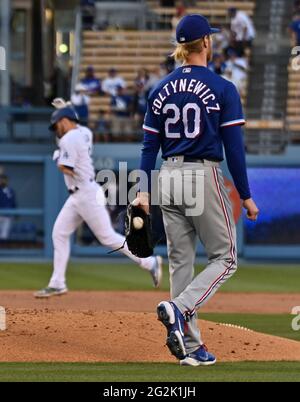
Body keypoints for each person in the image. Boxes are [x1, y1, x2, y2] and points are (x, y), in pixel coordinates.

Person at [134, 14, 259, 366]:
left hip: (166, 176)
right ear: (205, 43)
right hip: (201, 174)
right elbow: (234, 149)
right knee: (226, 257)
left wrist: (143, 191)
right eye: (211, 38)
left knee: (181, 264)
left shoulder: (159, 89)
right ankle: (179, 308)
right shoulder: (222, 88)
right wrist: (246, 195)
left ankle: (190, 348)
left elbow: (148, 147)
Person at [34, 104, 162, 298]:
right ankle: (57, 282)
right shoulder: (84, 132)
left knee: (108, 237)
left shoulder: (69, 138)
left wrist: (58, 158)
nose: (56, 130)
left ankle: (149, 262)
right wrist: (67, 110)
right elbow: (75, 138)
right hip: (80, 193)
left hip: (85, 192)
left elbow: (66, 168)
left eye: (57, 124)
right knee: (59, 233)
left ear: (65, 121)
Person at [0, 174, 16, 240]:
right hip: (0, 215)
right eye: (1, 180)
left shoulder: (11, 191)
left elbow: (14, 203)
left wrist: (16, 214)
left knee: (4, 235)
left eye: (4, 180)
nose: (3, 181)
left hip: (7, 216)